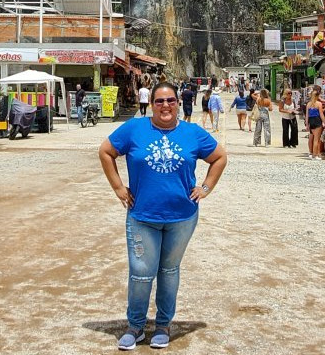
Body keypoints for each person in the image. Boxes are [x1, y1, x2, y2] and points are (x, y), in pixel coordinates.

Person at [98, 83, 228, 350]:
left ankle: (163, 325)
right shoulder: (135, 128)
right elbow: (106, 151)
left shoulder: (193, 133)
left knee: (169, 271)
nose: (165, 106)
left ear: (178, 102)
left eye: (170, 100)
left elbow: (219, 157)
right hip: (142, 215)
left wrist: (205, 188)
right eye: (159, 101)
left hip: (182, 217)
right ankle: (135, 326)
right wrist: (118, 188)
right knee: (141, 273)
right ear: (151, 104)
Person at [305, 90, 325, 159]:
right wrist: (324, 122)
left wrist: (307, 125)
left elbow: (307, 115)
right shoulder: (319, 104)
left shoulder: (308, 104)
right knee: (316, 139)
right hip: (317, 120)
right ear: (317, 96)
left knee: (313, 138)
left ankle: (313, 153)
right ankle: (315, 155)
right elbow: (321, 114)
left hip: (311, 121)